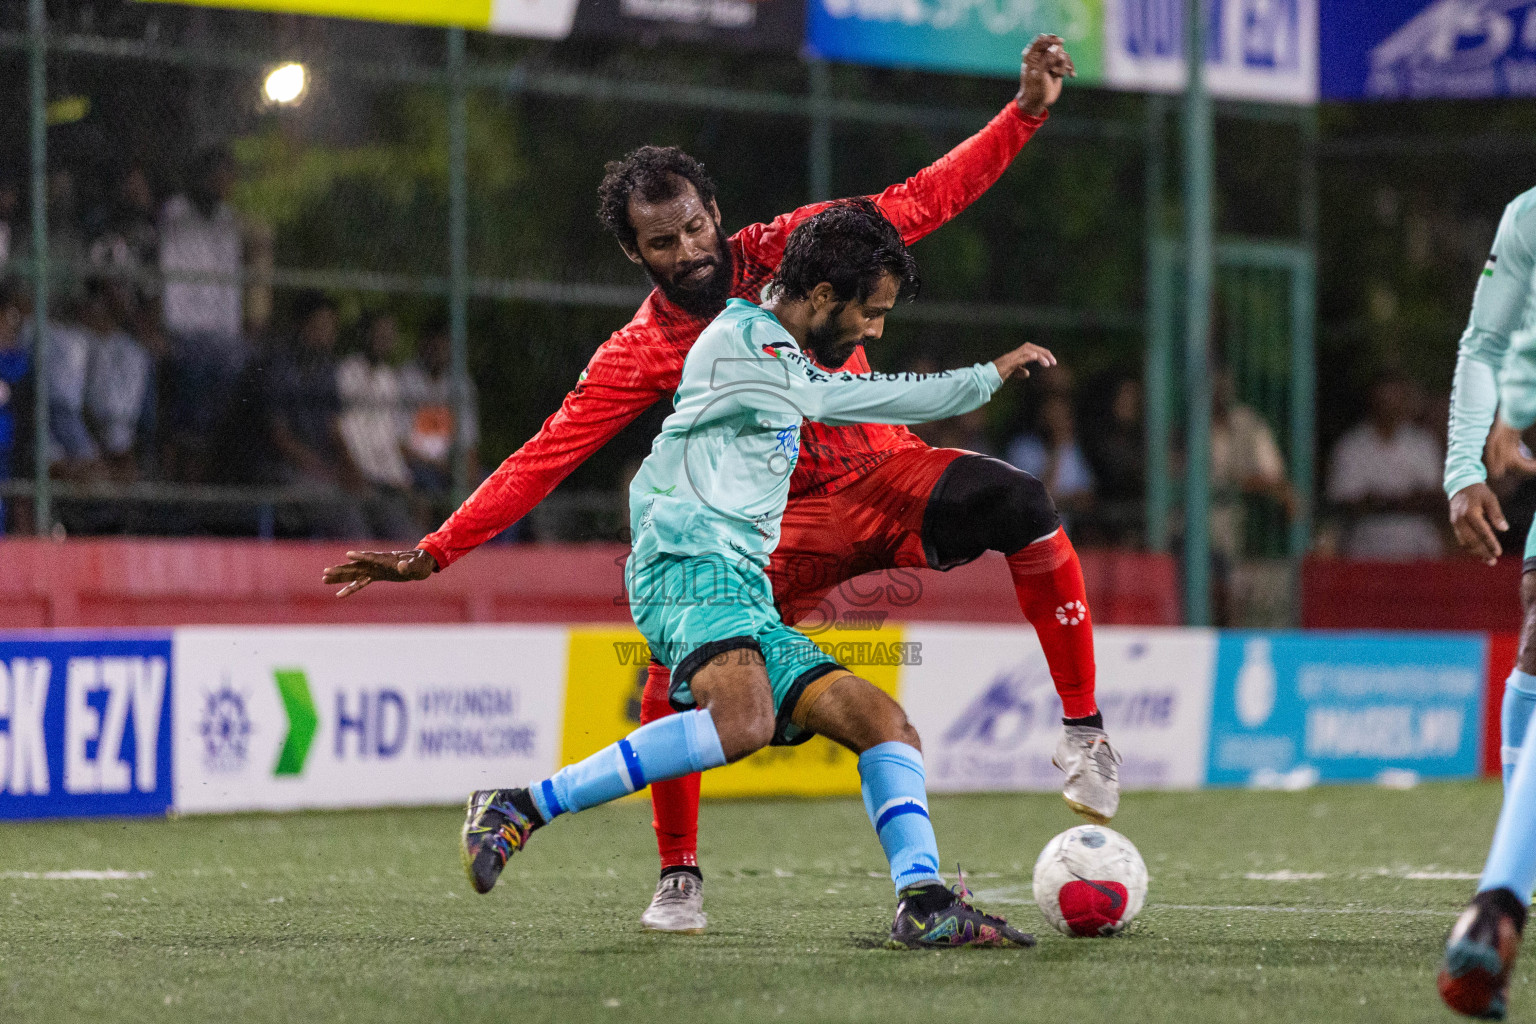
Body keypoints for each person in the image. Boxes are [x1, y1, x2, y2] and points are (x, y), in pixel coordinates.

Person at [324, 35, 1117, 936]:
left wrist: (1024, 114)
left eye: (697, 227)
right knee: (689, 678)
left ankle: (1054, 762)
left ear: (716, 212)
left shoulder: (792, 252)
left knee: (1003, 530)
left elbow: (917, 203)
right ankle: (675, 871)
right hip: (764, 532)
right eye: (664, 243)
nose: (691, 250)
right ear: (638, 255)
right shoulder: (650, 350)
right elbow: (544, 455)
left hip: (878, 471)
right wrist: (437, 551)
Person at [460, 199, 1051, 947]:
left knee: (884, 725)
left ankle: (924, 899)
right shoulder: (745, 340)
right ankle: (521, 805)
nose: (875, 331)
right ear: (823, 297)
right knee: (741, 722)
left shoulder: (779, 348)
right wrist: (983, 378)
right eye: (870, 314)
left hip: (740, 589)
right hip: (685, 567)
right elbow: (848, 399)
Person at [1439, 184, 1536, 1019]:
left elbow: (1493, 347)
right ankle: (1504, 897)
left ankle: (1503, 896)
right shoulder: (1528, 216)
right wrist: (1465, 462)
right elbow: (1488, 342)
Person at [1327, 370, 1445, 559]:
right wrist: (1403, 501)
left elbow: (1433, 498)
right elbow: (1347, 502)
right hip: (1366, 549)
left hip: (1418, 547)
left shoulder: (1422, 443)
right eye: (1384, 397)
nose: (1390, 405)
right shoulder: (1352, 445)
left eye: (1396, 397)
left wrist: (1380, 501)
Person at [337, 311, 421, 535]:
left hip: (385, 480)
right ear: (367, 335)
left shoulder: (389, 379)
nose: (385, 339)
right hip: (353, 475)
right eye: (380, 333)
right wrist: (353, 470)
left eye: (389, 334)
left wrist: (402, 478)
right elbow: (342, 430)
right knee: (360, 533)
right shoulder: (347, 372)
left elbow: (388, 437)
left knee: (408, 535)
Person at [1006, 391, 1094, 530]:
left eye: (1063, 416)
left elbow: (1086, 499)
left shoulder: (1071, 448)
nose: (1059, 423)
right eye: (1054, 415)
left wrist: (1059, 501)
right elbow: (1035, 500)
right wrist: (1056, 450)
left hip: (1063, 539)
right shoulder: (1023, 448)